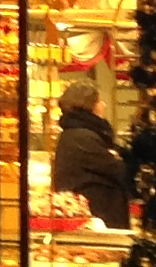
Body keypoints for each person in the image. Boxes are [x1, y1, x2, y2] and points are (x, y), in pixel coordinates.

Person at [50, 79, 133, 229]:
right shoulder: (82, 137)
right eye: (99, 101)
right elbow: (117, 169)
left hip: (96, 215)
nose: (104, 105)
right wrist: (118, 159)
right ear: (89, 105)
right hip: (95, 219)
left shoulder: (79, 134)